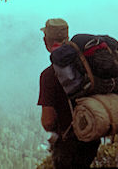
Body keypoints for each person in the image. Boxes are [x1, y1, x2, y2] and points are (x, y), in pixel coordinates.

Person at [37, 18, 100, 169]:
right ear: (67, 38)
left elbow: (48, 121)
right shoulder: (87, 66)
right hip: (91, 138)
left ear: (46, 41)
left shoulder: (48, 75)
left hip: (68, 144)